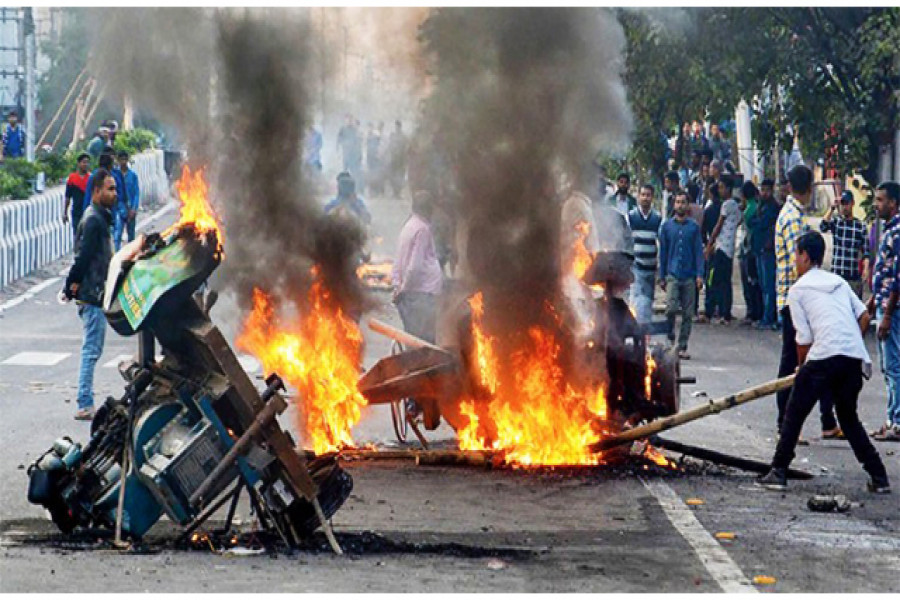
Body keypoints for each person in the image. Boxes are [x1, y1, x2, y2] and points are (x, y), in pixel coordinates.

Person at [757, 231, 890, 493]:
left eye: (797, 255)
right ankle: (879, 475)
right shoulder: (838, 281)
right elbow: (864, 316)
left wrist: (801, 368)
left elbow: (803, 339)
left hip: (823, 356)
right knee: (848, 418)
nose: (796, 261)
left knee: (794, 413)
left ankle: (779, 470)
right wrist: (848, 340)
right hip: (852, 357)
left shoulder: (797, 291)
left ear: (805, 256)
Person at [775, 164, 826, 437]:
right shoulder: (794, 217)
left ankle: (796, 421)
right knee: (792, 363)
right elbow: (801, 264)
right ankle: (785, 421)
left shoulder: (792, 213)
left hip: (791, 296)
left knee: (798, 360)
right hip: (795, 298)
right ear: (809, 188)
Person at [64, 169, 117, 420]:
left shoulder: (99, 217)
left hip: (96, 292)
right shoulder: (94, 219)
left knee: (93, 349)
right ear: (96, 191)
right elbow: (83, 257)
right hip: (93, 294)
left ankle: (85, 400)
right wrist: (71, 283)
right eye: (110, 188)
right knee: (91, 350)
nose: (114, 193)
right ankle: (84, 403)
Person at [868, 181, 900, 441]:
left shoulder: (898, 231)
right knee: (888, 366)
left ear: (893, 203)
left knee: (894, 365)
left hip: (894, 308)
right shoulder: (888, 230)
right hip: (884, 303)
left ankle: (897, 422)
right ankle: (891, 419)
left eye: (880, 200)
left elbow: (898, 278)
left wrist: (887, 314)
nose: (876, 205)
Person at [392, 190, 443, 344]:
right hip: (421, 293)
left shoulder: (409, 225)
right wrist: (404, 288)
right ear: (428, 209)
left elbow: (398, 260)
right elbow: (415, 266)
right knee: (424, 343)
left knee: (413, 341)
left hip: (411, 294)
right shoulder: (422, 229)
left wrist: (397, 285)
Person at [659, 190, 704, 359]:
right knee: (670, 309)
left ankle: (682, 346)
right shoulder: (667, 227)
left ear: (688, 205)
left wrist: (700, 275)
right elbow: (663, 253)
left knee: (688, 313)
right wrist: (662, 276)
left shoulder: (693, 228)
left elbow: (698, 252)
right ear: (674, 204)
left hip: (690, 276)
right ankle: (670, 340)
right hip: (672, 274)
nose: (680, 205)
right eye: (677, 202)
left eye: (683, 202)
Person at [704, 176, 741, 324]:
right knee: (725, 280)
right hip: (729, 246)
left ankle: (721, 312)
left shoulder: (726, 205)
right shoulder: (736, 205)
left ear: (728, 189)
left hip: (722, 247)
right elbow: (739, 220)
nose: (719, 190)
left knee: (717, 280)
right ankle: (725, 312)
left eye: (721, 187)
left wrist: (710, 242)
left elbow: (718, 225)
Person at [820, 190, 868, 298]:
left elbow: (866, 251)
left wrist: (866, 268)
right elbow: (822, 226)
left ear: (852, 203)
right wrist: (831, 208)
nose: (844, 207)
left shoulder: (860, 226)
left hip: (853, 277)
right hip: (837, 275)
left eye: (847, 203)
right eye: (842, 203)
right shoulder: (836, 222)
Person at [748, 179, 780, 329]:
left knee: (768, 286)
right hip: (758, 249)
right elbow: (751, 220)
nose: (764, 193)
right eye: (762, 189)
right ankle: (764, 316)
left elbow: (761, 223)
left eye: (767, 190)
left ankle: (769, 318)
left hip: (768, 250)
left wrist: (758, 222)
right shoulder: (762, 205)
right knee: (762, 284)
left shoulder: (773, 207)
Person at [628, 184, 662, 324]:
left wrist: (660, 267)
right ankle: (634, 327)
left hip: (651, 267)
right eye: (643, 195)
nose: (645, 198)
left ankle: (645, 332)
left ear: (652, 198)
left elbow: (660, 242)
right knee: (636, 299)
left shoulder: (657, 219)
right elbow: (625, 239)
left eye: (648, 195)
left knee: (648, 299)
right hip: (636, 266)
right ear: (638, 197)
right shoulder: (631, 217)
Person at [738, 181, 763, 324]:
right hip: (752, 248)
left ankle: (753, 312)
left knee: (750, 282)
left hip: (748, 249)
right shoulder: (755, 206)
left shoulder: (749, 209)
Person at [114, 150, 140, 250]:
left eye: (125, 159)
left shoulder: (133, 176)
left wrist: (134, 208)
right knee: (117, 235)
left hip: (131, 209)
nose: (123, 162)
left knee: (131, 237)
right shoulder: (115, 175)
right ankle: (116, 256)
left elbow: (136, 193)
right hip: (119, 208)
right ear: (118, 160)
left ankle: (130, 257)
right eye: (121, 159)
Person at [63, 153, 91, 238]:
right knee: (77, 233)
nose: (86, 164)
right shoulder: (72, 178)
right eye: (84, 162)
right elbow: (68, 197)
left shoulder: (91, 178)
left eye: (87, 162)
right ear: (78, 163)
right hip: (76, 211)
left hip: (88, 211)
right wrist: (65, 212)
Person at [337, 114, 363, 183]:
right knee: (345, 171)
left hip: (353, 154)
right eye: (348, 119)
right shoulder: (342, 129)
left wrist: (358, 154)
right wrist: (338, 149)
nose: (349, 121)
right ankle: (344, 186)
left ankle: (354, 187)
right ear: (345, 120)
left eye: (350, 120)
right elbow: (338, 140)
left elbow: (357, 142)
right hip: (345, 154)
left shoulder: (354, 129)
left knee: (353, 172)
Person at [387, 120, 409, 199]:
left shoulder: (404, 137)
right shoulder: (392, 135)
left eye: (398, 126)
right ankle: (394, 192)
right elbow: (389, 146)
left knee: (400, 176)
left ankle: (398, 192)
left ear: (400, 127)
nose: (396, 127)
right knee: (393, 175)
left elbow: (406, 148)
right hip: (393, 159)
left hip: (401, 159)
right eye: (396, 126)